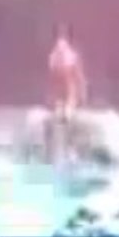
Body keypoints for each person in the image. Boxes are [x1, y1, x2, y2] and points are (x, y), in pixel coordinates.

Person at [47, 26, 87, 162]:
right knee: (60, 121)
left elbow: (77, 75)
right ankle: (61, 150)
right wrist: (51, 96)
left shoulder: (69, 56)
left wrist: (81, 91)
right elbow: (53, 78)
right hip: (62, 94)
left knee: (68, 119)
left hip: (69, 93)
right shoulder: (54, 56)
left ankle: (71, 149)